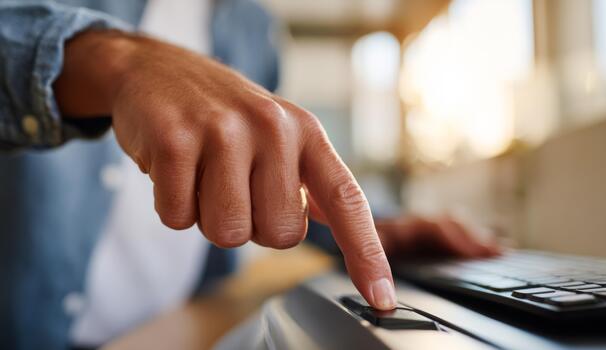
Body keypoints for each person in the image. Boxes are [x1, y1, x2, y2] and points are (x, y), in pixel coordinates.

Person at [0, 0, 498, 348]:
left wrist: (379, 226)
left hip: (185, 331)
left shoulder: (255, 28)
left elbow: (271, 172)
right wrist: (113, 60)